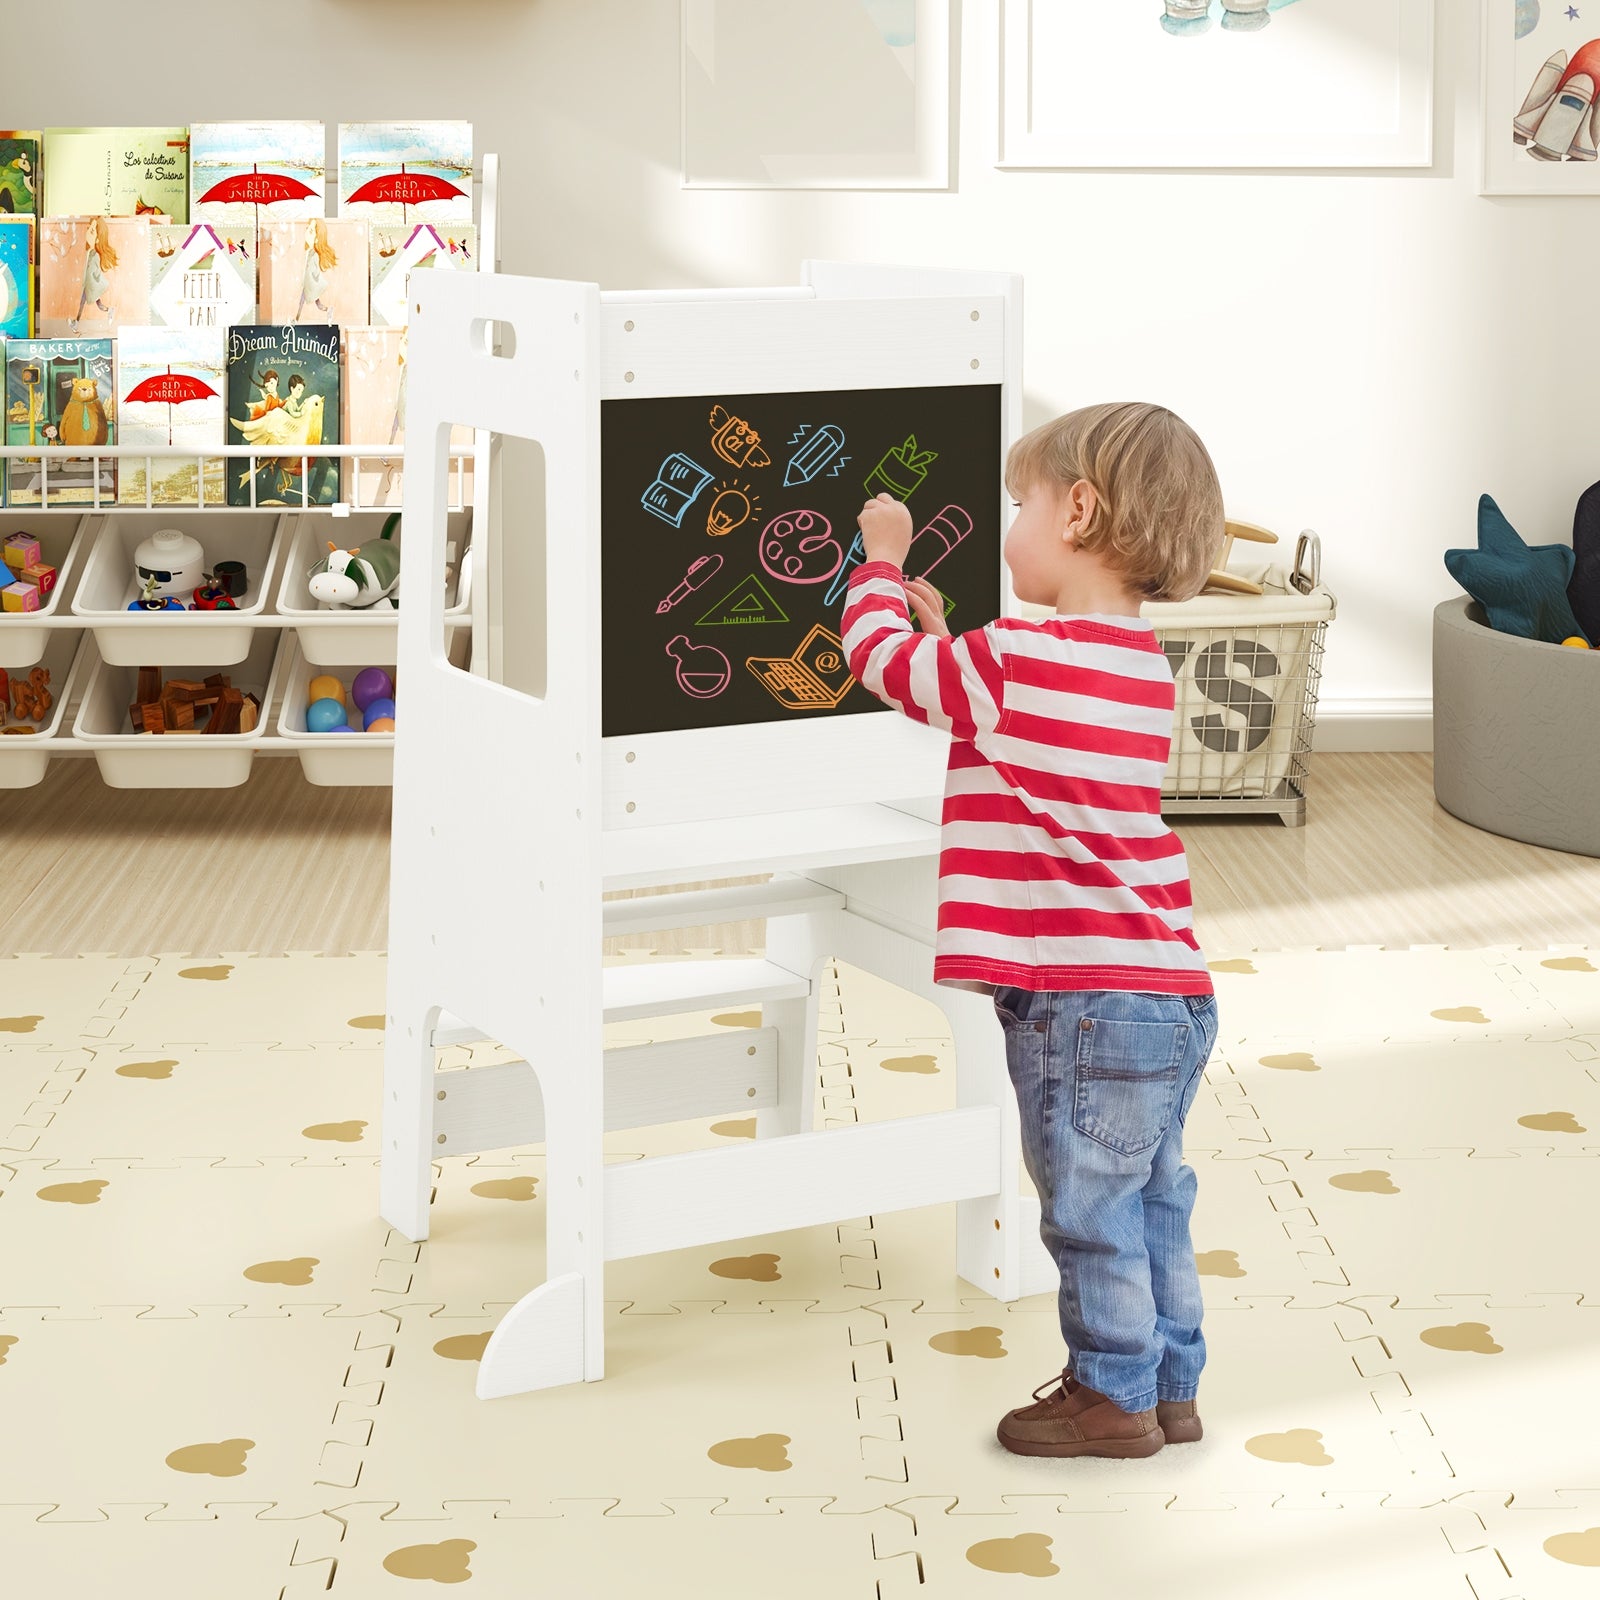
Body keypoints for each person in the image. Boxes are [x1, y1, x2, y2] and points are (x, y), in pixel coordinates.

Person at [841, 401, 1226, 1460]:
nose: (1011, 521)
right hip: (1168, 991)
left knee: (1086, 1211)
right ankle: (1169, 1386)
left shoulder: (1008, 661)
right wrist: (950, 645)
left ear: (1078, 511)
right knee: (1151, 1195)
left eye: (1021, 503)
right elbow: (1010, 721)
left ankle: (1109, 1398)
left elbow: (881, 662)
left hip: (1078, 996)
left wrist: (879, 560)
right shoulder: (1136, 669)